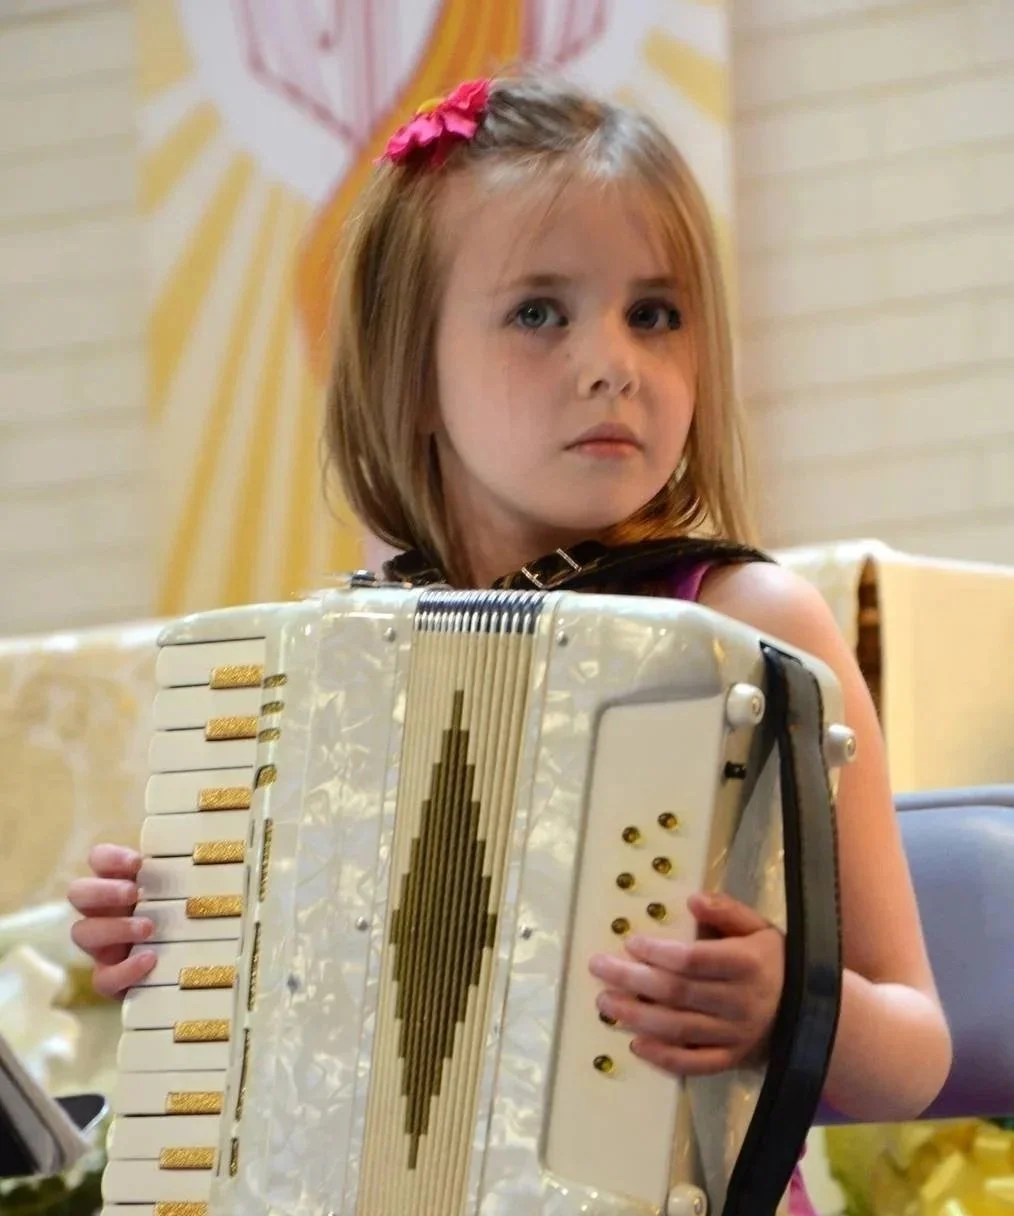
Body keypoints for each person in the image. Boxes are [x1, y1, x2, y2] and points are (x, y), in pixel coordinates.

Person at [67, 72, 951, 1212]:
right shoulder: (330, 666)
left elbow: (918, 1045)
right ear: (410, 370)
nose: (612, 361)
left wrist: (793, 1008)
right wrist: (170, 954)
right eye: (540, 312)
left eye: (655, 312)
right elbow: (275, 1059)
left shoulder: (752, 623)